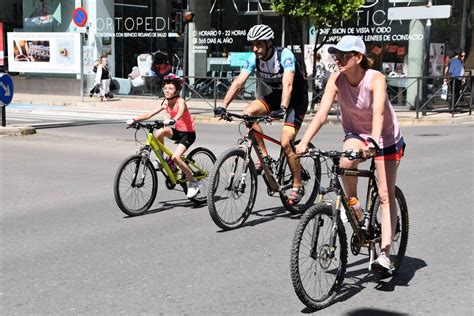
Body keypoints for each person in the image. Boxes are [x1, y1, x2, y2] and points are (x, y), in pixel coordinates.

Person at [295, 35, 406, 274]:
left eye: (345, 56)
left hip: (385, 137)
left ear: (358, 57)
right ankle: (354, 205)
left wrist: (374, 142)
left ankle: (385, 254)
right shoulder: (336, 80)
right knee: (345, 159)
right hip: (356, 132)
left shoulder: (375, 78)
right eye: (337, 55)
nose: (339, 60)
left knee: (385, 195)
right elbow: (321, 115)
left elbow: (378, 113)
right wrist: (303, 142)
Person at [214, 24, 308, 205]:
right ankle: (264, 156)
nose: (255, 48)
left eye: (258, 44)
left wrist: (282, 108)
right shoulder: (253, 58)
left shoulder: (284, 55)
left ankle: (298, 184)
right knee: (248, 112)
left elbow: (288, 83)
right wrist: (223, 106)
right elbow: (239, 82)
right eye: (253, 45)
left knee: (286, 142)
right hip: (276, 96)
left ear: (268, 43)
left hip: (296, 99)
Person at [126, 74, 201, 199]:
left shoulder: (180, 101)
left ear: (176, 91)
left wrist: (173, 119)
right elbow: (150, 113)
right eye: (165, 88)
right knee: (159, 132)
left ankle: (193, 181)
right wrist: (134, 119)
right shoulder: (165, 103)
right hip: (177, 131)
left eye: (170, 89)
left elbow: (181, 111)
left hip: (188, 134)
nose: (167, 91)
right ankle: (162, 160)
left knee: (177, 158)